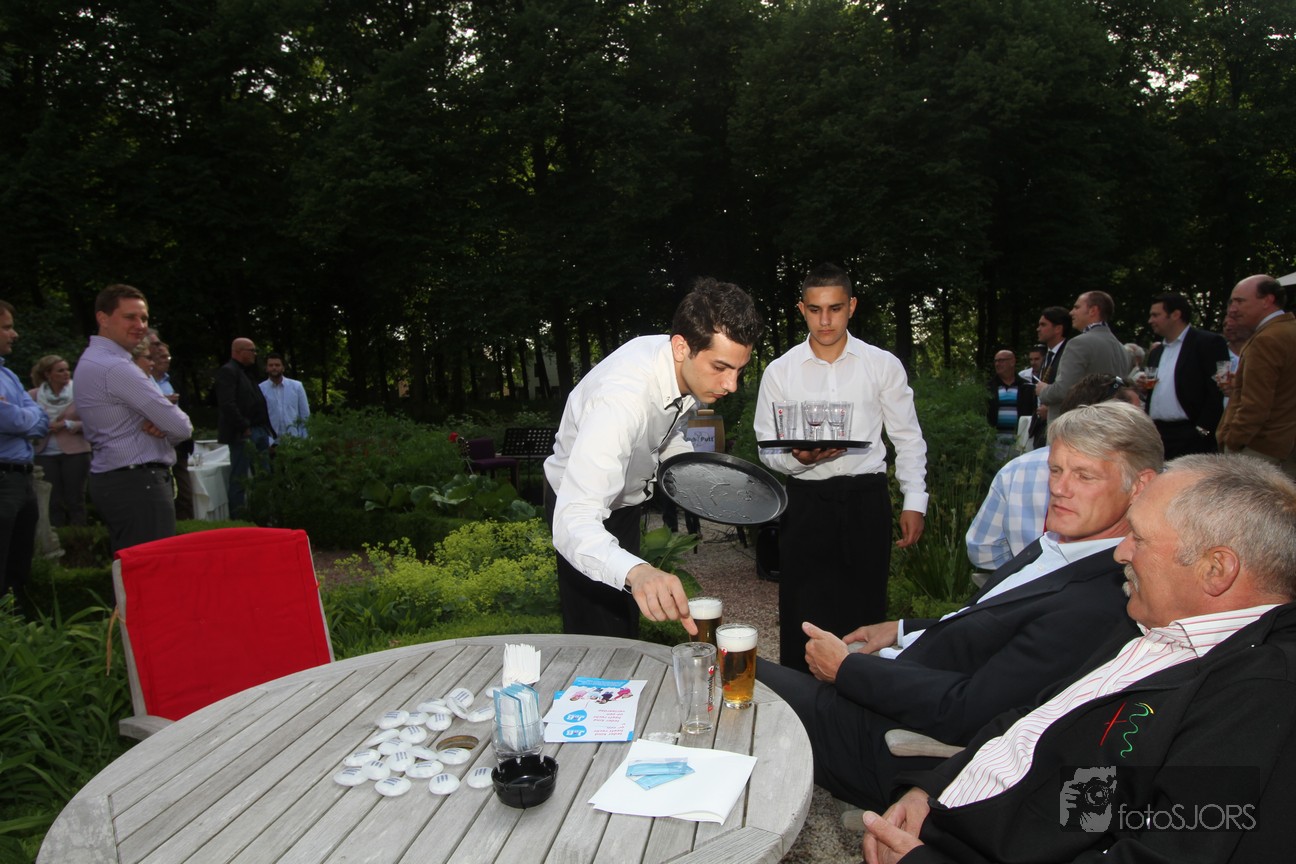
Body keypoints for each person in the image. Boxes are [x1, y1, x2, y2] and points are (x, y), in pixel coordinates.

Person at [862, 454, 1296, 864]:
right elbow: (1031, 717)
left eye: (1139, 538)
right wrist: (928, 790)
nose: (1120, 552)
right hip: (950, 818)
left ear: (1216, 569)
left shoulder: (1258, 698)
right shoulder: (1151, 625)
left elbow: (1163, 851)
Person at [758, 400, 1161, 811]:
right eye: (1055, 470)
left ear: (1140, 485)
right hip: (893, 686)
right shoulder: (1064, 547)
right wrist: (902, 629)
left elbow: (970, 711)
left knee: (732, 676)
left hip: (892, 739)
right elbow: (994, 624)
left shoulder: (1101, 598)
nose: (1059, 488)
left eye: (1084, 475)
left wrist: (846, 669)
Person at [545, 278, 762, 638]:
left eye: (740, 370)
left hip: (625, 503)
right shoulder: (619, 402)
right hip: (581, 508)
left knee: (625, 624)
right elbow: (573, 522)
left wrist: (695, 473)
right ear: (681, 347)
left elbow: (666, 430)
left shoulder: (681, 364)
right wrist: (639, 571)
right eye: (721, 367)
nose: (731, 385)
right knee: (597, 640)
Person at [754, 263, 928, 673]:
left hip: (866, 499)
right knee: (802, 613)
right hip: (805, 502)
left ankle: (859, 696)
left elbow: (907, 436)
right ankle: (800, 701)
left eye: (835, 308)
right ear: (802, 309)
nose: (825, 320)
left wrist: (914, 500)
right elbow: (766, 448)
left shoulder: (882, 364)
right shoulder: (780, 371)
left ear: (851, 306)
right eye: (815, 309)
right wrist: (797, 459)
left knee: (864, 611)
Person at [965, 373, 1141, 570]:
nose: (1059, 489)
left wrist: (1023, 572)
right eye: (1135, 417)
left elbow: (982, 549)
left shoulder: (1015, 471)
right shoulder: (1140, 477)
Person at [73, 285, 192, 553]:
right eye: (130, 317)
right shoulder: (116, 367)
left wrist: (162, 423)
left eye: (144, 318)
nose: (140, 325)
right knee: (152, 569)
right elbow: (181, 427)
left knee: (134, 569)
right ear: (103, 318)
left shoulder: (95, 360)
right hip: (137, 483)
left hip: (123, 480)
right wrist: (164, 424)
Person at [1216, 274, 1296, 477]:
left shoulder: (1267, 339)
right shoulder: (1288, 330)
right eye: (1232, 302)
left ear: (1267, 300)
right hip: (1283, 449)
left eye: (1240, 301)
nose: (1233, 309)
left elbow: (1255, 406)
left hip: (1260, 451)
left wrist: (1232, 441)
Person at [1141, 291, 1229, 459]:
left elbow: (1216, 391)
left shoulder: (1207, 343)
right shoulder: (1156, 352)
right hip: (1158, 434)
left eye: (1155, 315)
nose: (1150, 320)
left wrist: (1202, 431)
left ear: (1175, 315)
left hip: (1190, 434)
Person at [0, 302, 50, 598]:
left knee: (18, 570)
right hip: (3, 480)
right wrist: (27, 417)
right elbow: (9, 418)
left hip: (22, 479)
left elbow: (39, 418)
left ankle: (15, 622)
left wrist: (23, 417)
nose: (14, 334)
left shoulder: (8, 374)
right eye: (6, 327)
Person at [1036, 291, 1128, 419]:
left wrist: (1043, 390)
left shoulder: (1079, 343)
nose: (1071, 312)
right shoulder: (1121, 348)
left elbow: (1064, 390)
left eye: (1077, 307)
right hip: (1109, 421)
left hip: (1078, 424)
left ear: (1093, 310)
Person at [28, 355, 90, 527]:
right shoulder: (33, 396)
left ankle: (78, 535)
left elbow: (93, 422)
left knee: (75, 498)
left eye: (67, 369)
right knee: (52, 500)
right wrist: (42, 426)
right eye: (60, 370)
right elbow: (26, 420)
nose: (66, 373)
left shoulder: (79, 393)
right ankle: (56, 535)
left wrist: (68, 424)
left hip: (75, 452)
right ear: (48, 374)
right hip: (45, 452)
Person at [216, 337, 273, 516]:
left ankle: (263, 514)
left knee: (264, 475)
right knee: (240, 478)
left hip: (259, 429)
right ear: (238, 352)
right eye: (251, 350)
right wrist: (243, 426)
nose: (255, 354)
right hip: (244, 432)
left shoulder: (246, 372)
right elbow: (227, 404)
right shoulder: (229, 371)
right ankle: (238, 516)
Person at [149, 341, 194, 520]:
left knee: (184, 491)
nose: (166, 360)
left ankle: (186, 524)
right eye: (161, 356)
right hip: (156, 444)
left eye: (168, 356)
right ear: (150, 359)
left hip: (179, 444)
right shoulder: (144, 382)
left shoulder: (173, 380)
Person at [1028, 307, 1069, 447]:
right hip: (1041, 426)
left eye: (1043, 325)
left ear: (1058, 329)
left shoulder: (1068, 353)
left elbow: (1068, 388)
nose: (1038, 329)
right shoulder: (1048, 355)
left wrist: (1050, 410)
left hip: (1058, 425)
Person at [259, 352, 310, 441]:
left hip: (295, 438)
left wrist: (305, 438)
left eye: (277, 365)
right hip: (271, 440)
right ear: (266, 368)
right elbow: (260, 417)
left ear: (283, 367)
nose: (274, 368)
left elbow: (305, 414)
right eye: (271, 365)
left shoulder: (297, 386)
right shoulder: (261, 389)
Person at [984, 350, 1022, 457]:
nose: (997, 364)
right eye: (995, 361)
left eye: (1001, 360)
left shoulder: (1025, 386)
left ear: (1012, 362)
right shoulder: (988, 387)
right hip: (995, 437)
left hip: (1019, 437)